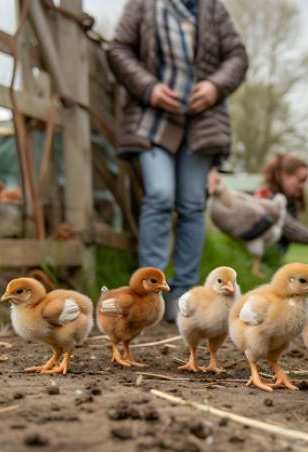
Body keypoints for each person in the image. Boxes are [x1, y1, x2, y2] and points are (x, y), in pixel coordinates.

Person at [107, 0, 248, 322]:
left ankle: (183, 296)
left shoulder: (212, 8)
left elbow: (237, 56)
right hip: (152, 120)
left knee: (192, 204)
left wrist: (214, 86)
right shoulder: (143, 6)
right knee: (159, 194)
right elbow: (118, 50)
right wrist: (148, 88)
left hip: (201, 123)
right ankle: (149, 291)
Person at [254, 154, 308, 252]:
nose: (303, 186)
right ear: (281, 175)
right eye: (301, 180)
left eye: (305, 181)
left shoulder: (291, 203)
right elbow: (292, 230)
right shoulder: (266, 199)